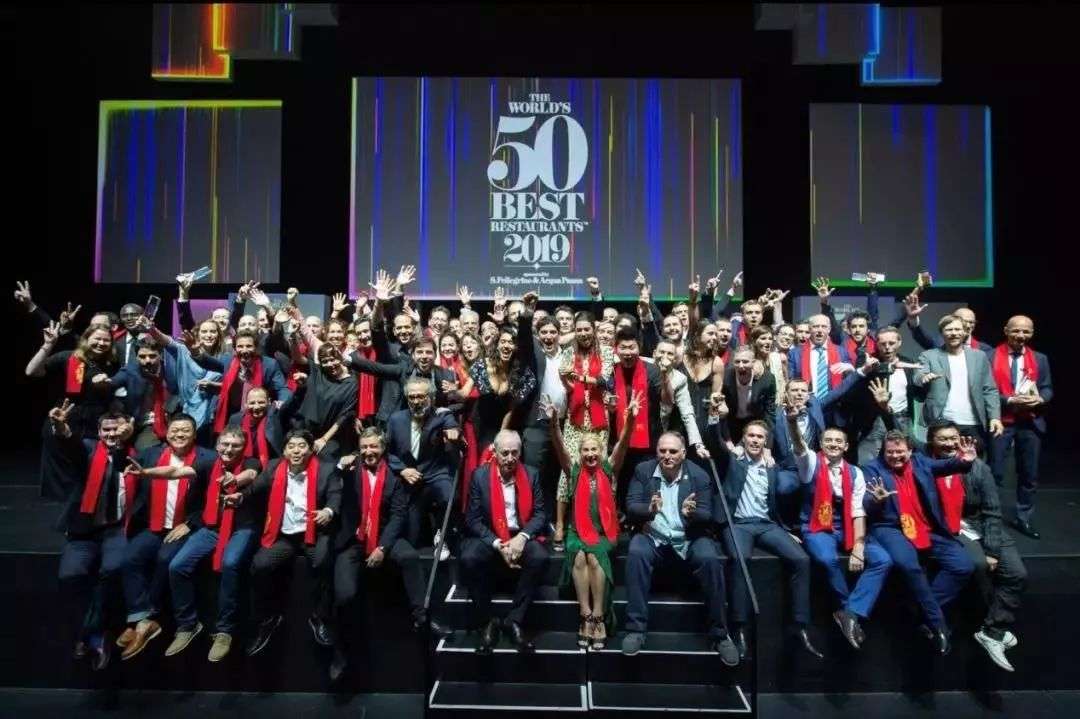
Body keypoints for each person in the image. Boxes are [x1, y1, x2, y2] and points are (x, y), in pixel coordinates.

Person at [329, 427, 451, 682]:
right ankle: (341, 652)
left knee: (409, 557)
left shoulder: (394, 479)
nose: (368, 451)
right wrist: (340, 467)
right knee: (345, 596)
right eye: (364, 447)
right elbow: (332, 480)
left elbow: (397, 516)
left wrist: (383, 548)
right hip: (353, 541)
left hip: (384, 536)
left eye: (373, 446)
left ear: (383, 448)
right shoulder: (349, 471)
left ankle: (422, 618)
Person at [622, 432, 738, 664]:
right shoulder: (643, 471)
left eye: (673, 451)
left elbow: (708, 514)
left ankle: (720, 634)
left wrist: (690, 514)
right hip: (654, 537)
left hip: (688, 537)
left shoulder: (699, 475)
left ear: (683, 453)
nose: (667, 455)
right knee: (636, 551)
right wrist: (649, 511)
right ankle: (635, 629)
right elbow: (631, 506)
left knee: (710, 558)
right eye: (662, 450)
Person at [922, 422, 1026, 671]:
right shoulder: (924, 466)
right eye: (943, 439)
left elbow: (992, 511)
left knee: (1016, 573)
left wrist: (992, 550)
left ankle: (992, 630)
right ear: (931, 441)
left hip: (981, 525)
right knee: (978, 566)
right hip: (950, 528)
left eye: (954, 438)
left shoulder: (978, 468)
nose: (949, 443)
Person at [861, 430, 977, 654]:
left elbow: (949, 465)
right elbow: (866, 502)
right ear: (883, 452)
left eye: (900, 452)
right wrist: (876, 500)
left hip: (925, 526)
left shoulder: (921, 462)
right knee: (910, 566)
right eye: (890, 452)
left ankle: (922, 610)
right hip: (891, 527)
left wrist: (965, 461)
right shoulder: (872, 469)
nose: (895, 456)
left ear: (910, 450)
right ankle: (938, 625)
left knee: (963, 565)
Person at [715, 420, 819, 659]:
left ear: (765, 442)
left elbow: (793, 472)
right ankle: (739, 628)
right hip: (738, 524)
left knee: (802, 560)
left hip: (766, 524)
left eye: (759, 437)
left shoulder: (772, 466)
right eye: (751, 436)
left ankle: (800, 626)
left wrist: (783, 529)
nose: (755, 440)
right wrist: (716, 420)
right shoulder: (734, 459)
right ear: (743, 438)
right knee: (740, 560)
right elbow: (716, 440)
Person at [116, 413, 217, 660]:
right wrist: (121, 442)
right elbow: (124, 465)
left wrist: (191, 524)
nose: (179, 434)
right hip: (153, 525)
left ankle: (147, 620)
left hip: (183, 526)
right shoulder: (150, 454)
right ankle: (140, 616)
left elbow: (213, 498)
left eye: (185, 430)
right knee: (129, 559)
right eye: (175, 430)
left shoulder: (208, 458)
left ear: (195, 434)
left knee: (165, 559)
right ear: (167, 433)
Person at [545, 388, 639, 649]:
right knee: (579, 556)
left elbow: (623, 442)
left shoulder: (609, 469)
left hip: (604, 533)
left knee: (595, 557)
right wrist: (553, 423)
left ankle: (598, 616)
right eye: (585, 450)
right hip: (577, 533)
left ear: (601, 451)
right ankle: (585, 616)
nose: (590, 454)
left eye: (594, 449)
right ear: (580, 453)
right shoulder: (573, 470)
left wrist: (631, 418)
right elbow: (559, 446)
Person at [789, 413, 892, 649]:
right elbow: (798, 445)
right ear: (821, 444)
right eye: (828, 440)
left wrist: (859, 546)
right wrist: (792, 422)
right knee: (827, 559)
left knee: (883, 560)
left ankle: (851, 613)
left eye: (838, 441)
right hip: (817, 526)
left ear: (846, 446)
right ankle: (847, 610)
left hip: (846, 525)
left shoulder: (855, 472)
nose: (833, 444)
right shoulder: (811, 464)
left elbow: (857, 511)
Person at [236, 429, 342, 657]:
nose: (296, 451)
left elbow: (335, 495)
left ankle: (320, 617)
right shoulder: (274, 467)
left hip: (313, 534)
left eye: (302, 446)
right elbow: (254, 488)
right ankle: (268, 617)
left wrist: (328, 511)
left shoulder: (326, 469)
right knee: (260, 565)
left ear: (310, 449)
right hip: (284, 536)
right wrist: (240, 496)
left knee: (324, 563)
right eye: (291, 446)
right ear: (284, 451)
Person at [49, 404, 135, 670]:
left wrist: (121, 445)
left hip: (116, 528)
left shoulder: (136, 456)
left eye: (117, 429)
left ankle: (89, 635)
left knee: (113, 570)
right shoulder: (87, 449)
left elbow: (123, 463)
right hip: (84, 531)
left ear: (127, 430)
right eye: (106, 430)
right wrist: (61, 428)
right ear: (98, 432)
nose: (111, 434)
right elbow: (70, 445)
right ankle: (96, 631)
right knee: (70, 575)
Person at [165, 426, 262, 661]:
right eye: (225, 444)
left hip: (242, 528)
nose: (229, 449)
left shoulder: (251, 462)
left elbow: (250, 474)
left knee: (230, 563)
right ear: (217, 446)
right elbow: (177, 471)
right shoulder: (208, 463)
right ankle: (188, 625)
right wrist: (145, 473)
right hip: (212, 527)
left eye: (235, 445)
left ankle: (225, 631)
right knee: (177, 566)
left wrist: (234, 479)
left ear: (243, 448)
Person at [461, 430, 549, 654]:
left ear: (520, 452)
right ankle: (487, 621)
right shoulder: (480, 476)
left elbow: (540, 514)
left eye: (514, 453)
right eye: (505, 453)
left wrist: (522, 537)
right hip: (491, 535)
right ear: (496, 453)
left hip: (519, 533)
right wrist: (497, 544)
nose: (510, 458)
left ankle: (514, 620)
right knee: (469, 558)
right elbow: (472, 519)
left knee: (540, 557)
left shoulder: (531, 474)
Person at [27, 322, 120, 499]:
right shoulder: (68, 357)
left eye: (106, 340)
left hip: (95, 424)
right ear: (86, 339)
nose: (101, 343)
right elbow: (32, 371)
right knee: (62, 483)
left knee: (89, 476)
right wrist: (47, 345)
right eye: (97, 339)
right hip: (64, 418)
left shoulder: (112, 364)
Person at [552, 312, 615, 545]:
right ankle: (561, 523)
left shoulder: (606, 352)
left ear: (593, 330)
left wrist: (581, 377)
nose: (583, 333)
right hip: (575, 420)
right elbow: (570, 387)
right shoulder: (568, 353)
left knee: (601, 471)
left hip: (599, 421)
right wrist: (566, 379)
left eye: (586, 329)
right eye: (579, 330)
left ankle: (600, 521)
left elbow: (606, 381)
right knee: (568, 472)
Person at [988, 315, 1052, 539]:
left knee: (1028, 474)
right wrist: (1009, 400)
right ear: (1006, 330)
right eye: (1016, 330)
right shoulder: (990, 356)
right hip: (1000, 421)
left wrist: (1040, 399)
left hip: (1030, 421)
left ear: (1032, 333)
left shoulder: (1040, 359)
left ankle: (1023, 518)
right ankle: (992, 519)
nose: (1020, 335)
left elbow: (1047, 387)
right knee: (995, 472)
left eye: (1026, 331)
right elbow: (985, 390)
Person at [385, 377, 462, 555]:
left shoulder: (441, 415)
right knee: (412, 536)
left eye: (421, 396)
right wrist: (402, 469)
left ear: (431, 397)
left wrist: (453, 432)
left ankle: (442, 536)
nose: (416, 401)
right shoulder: (396, 419)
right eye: (412, 397)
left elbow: (452, 426)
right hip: (409, 480)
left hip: (436, 474)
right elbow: (386, 452)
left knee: (449, 496)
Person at [915, 314, 1003, 448]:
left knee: (973, 459)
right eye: (949, 330)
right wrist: (923, 377)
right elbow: (918, 374)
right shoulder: (929, 355)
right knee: (939, 460)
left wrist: (995, 417)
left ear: (965, 332)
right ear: (942, 333)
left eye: (957, 329)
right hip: (941, 421)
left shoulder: (979, 356)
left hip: (973, 422)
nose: (954, 333)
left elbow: (989, 389)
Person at [194, 329, 292, 435]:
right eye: (240, 346)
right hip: (232, 416)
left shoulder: (269, 365)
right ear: (235, 349)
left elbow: (282, 388)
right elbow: (208, 362)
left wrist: (282, 402)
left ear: (256, 348)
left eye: (249, 346)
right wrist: (195, 351)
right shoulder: (227, 361)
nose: (244, 350)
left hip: (259, 415)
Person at [103, 337, 180, 450]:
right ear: (136, 357)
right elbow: (113, 382)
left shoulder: (171, 370)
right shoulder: (130, 371)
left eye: (152, 356)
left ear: (161, 355)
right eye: (142, 357)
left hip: (173, 421)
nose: (147, 360)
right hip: (145, 424)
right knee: (150, 450)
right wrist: (104, 381)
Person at [787, 314, 853, 414]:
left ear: (829, 329)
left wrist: (851, 370)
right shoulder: (795, 354)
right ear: (809, 329)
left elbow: (849, 382)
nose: (819, 330)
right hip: (806, 408)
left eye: (823, 326)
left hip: (835, 409)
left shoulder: (842, 352)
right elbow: (791, 381)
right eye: (816, 326)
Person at [720, 346, 777, 443]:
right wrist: (727, 439)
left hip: (755, 424)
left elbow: (770, 412)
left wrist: (768, 444)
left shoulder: (767, 380)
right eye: (737, 362)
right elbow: (721, 412)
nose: (741, 366)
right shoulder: (725, 378)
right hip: (731, 424)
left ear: (753, 363)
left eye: (745, 362)